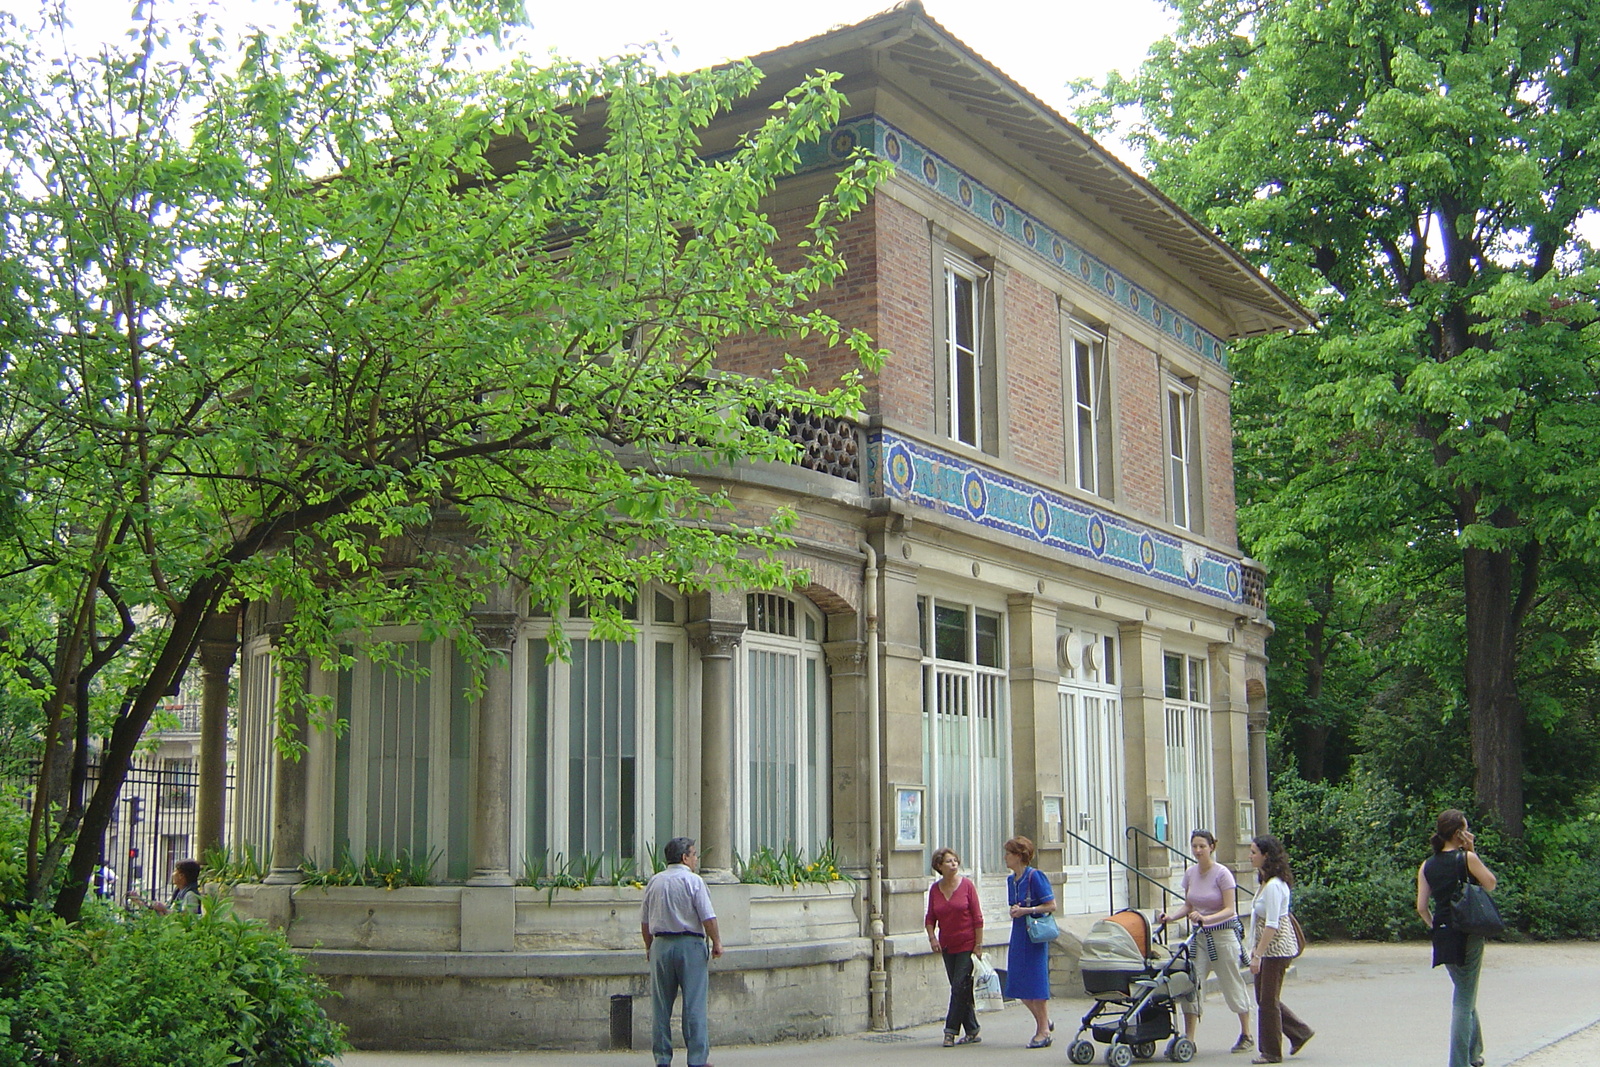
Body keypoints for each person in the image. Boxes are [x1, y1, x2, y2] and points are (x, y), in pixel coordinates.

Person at [1158, 829, 1254, 1054]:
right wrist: (1171, 917)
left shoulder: (1222, 874)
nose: (1198, 850)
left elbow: (1231, 909)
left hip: (1222, 936)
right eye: (1194, 846)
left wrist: (1206, 918)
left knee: (1231, 982)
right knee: (1191, 984)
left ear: (1212, 847)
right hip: (1199, 938)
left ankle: (1246, 1034)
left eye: (1202, 846)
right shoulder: (1191, 874)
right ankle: (1189, 1039)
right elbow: (1189, 905)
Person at [1416, 809, 1496, 1067]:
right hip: (1467, 931)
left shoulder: (1427, 865)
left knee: (1465, 991)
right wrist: (1473, 851)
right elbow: (1490, 883)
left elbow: (1421, 906)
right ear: (1459, 833)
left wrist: (1435, 927)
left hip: (1442, 932)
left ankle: (1474, 1052)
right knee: (1464, 998)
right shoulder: (1467, 858)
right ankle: (1458, 1062)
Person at [640, 837, 723, 1067]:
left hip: (661, 944)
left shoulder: (654, 882)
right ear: (684, 857)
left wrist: (649, 947)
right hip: (690, 944)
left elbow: (645, 923)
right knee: (694, 1004)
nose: (696, 859)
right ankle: (696, 1059)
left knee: (661, 1006)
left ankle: (662, 1059)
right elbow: (707, 916)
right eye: (694, 854)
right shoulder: (693, 881)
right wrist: (716, 942)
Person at [1246, 835, 1312, 1064]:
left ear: (1266, 856)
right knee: (1264, 998)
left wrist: (1258, 955)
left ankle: (1271, 1051)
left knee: (1267, 1001)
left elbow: (1272, 923)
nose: (1250, 856)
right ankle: (1300, 1032)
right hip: (1267, 948)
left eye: (1254, 852)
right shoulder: (1265, 882)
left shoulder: (1274, 886)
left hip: (1276, 950)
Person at [925, 846, 985, 1047]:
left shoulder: (967, 886)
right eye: (949, 861)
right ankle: (973, 1029)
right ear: (939, 866)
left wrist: (978, 944)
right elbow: (930, 917)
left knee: (959, 986)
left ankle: (949, 1031)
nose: (954, 864)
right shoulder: (935, 889)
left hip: (967, 944)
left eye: (955, 861)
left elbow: (977, 917)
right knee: (960, 989)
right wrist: (932, 938)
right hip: (947, 945)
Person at [1003, 835, 1055, 1048]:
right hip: (1018, 933)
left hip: (1034, 935)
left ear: (1019, 856)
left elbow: (1051, 905)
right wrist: (1015, 911)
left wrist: (1027, 910)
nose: (1005, 858)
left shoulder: (1035, 877)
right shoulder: (1010, 880)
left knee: (1035, 984)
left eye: (1008, 854)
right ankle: (1044, 1021)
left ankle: (1043, 1030)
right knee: (1017, 984)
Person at [133, 858, 202, 915]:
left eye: (175, 871)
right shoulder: (178, 892)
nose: (172, 874)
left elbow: (186, 917)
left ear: (181, 876)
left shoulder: (191, 895)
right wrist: (138, 901)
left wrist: (164, 909)